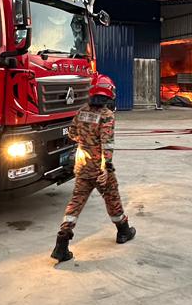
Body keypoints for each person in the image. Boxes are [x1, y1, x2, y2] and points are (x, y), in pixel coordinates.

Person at [51, 74, 136, 262]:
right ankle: (123, 231)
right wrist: (107, 168)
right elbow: (107, 143)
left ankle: (61, 243)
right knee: (112, 198)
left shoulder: (81, 111)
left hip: (82, 166)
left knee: (76, 202)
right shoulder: (106, 116)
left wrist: (86, 140)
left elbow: (72, 134)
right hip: (100, 168)